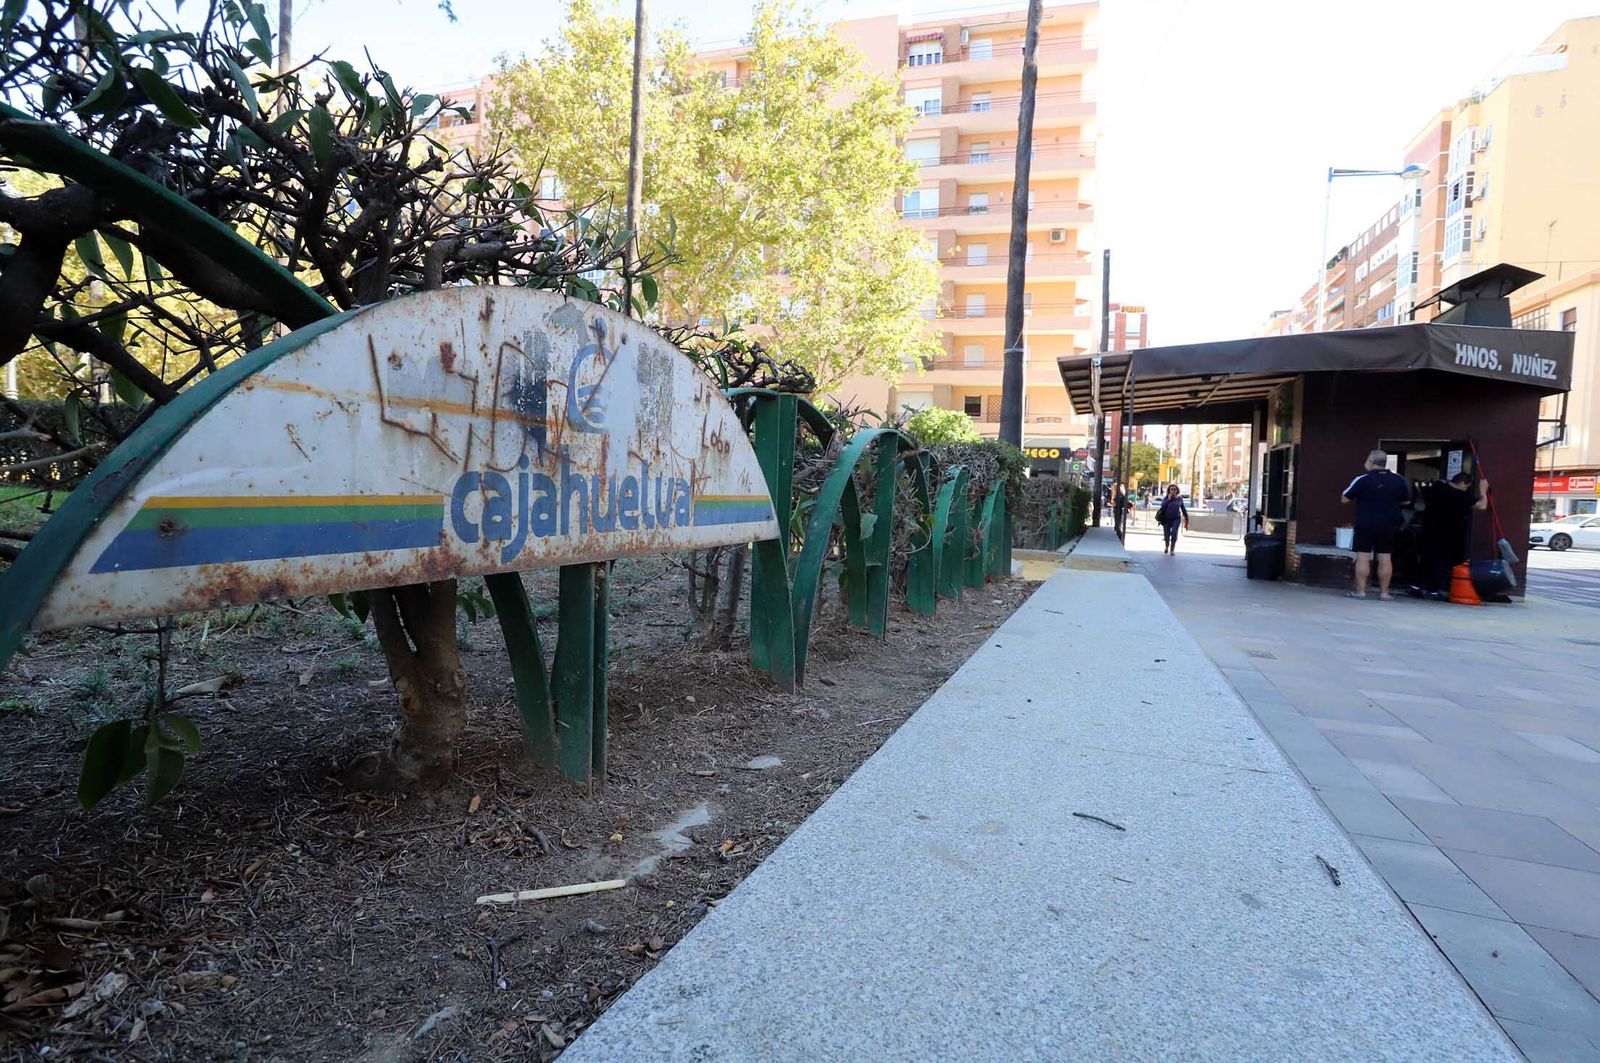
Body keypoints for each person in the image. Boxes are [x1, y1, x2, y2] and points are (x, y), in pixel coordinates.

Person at [1341, 449, 1411, 600]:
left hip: (1365, 522)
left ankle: (1361, 591)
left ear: (1370, 461)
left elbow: (1345, 498)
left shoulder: (1362, 479)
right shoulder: (1398, 479)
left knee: (1363, 556)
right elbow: (1406, 500)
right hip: (1388, 523)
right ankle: (1384, 593)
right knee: (1385, 557)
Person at [1417, 473, 1489, 599]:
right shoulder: (1461, 497)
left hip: (1429, 531)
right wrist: (1483, 491)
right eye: (1466, 486)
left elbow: (1435, 484)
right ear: (1462, 483)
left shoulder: (1437, 487)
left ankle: (1421, 586)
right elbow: (1483, 506)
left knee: (1427, 559)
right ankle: (1433, 589)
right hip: (1448, 534)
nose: (1466, 489)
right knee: (1442, 562)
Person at [1155, 483, 1189, 555]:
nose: (1173, 491)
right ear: (1169, 491)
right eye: (1172, 489)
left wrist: (1186, 519)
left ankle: (1172, 549)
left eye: (1175, 489)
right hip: (1166, 519)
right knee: (1166, 534)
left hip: (1176, 518)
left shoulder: (1179, 499)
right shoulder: (1166, 498)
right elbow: (1162, 506)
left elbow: (1183, 509)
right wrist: (1169, 499)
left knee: (1174, 532)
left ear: (1177, 490)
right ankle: (1167, 546)